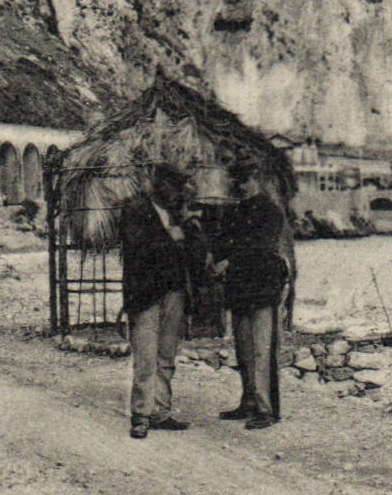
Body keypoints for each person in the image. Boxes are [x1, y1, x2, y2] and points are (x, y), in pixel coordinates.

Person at [119, 163, 202, 440]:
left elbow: (192, 252)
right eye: (171, 187)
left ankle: (161, 410)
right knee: (145, 357)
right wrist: (172, 237)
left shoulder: (177, 215)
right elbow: (139, 249)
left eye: (178, 188)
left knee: (166, 355)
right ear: (158, 186)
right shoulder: (135, 209)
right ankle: (141, 414)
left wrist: (191, 230)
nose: (175, 193)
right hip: (144, 294)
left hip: (173, 292)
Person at [213, 156, 290, 430]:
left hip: (263, 288)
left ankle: (266, 409)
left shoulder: (270, 212)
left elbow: (260, 247)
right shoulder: (235, 212)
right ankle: (248, 402)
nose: (241, 187)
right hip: (241, 290)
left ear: (257, 180)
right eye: (238, 183)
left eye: (245, 181)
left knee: (262, 352)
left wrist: (230, 261)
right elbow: (223, 241)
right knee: (244, 351)